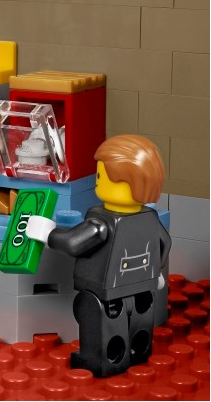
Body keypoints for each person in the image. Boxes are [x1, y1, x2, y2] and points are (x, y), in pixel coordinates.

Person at [26, 134, 171, 377]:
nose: (97, 181)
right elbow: (165, 243)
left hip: (102, 292)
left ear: (124, 181)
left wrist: (47, 233)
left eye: (100, 176)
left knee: (99, 320)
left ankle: (102, 360)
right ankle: (138, 351)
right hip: (142, 287)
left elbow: (73, 243)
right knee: (139, 320)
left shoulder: (102, 223)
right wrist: (156, 272)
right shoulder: (150, 218)